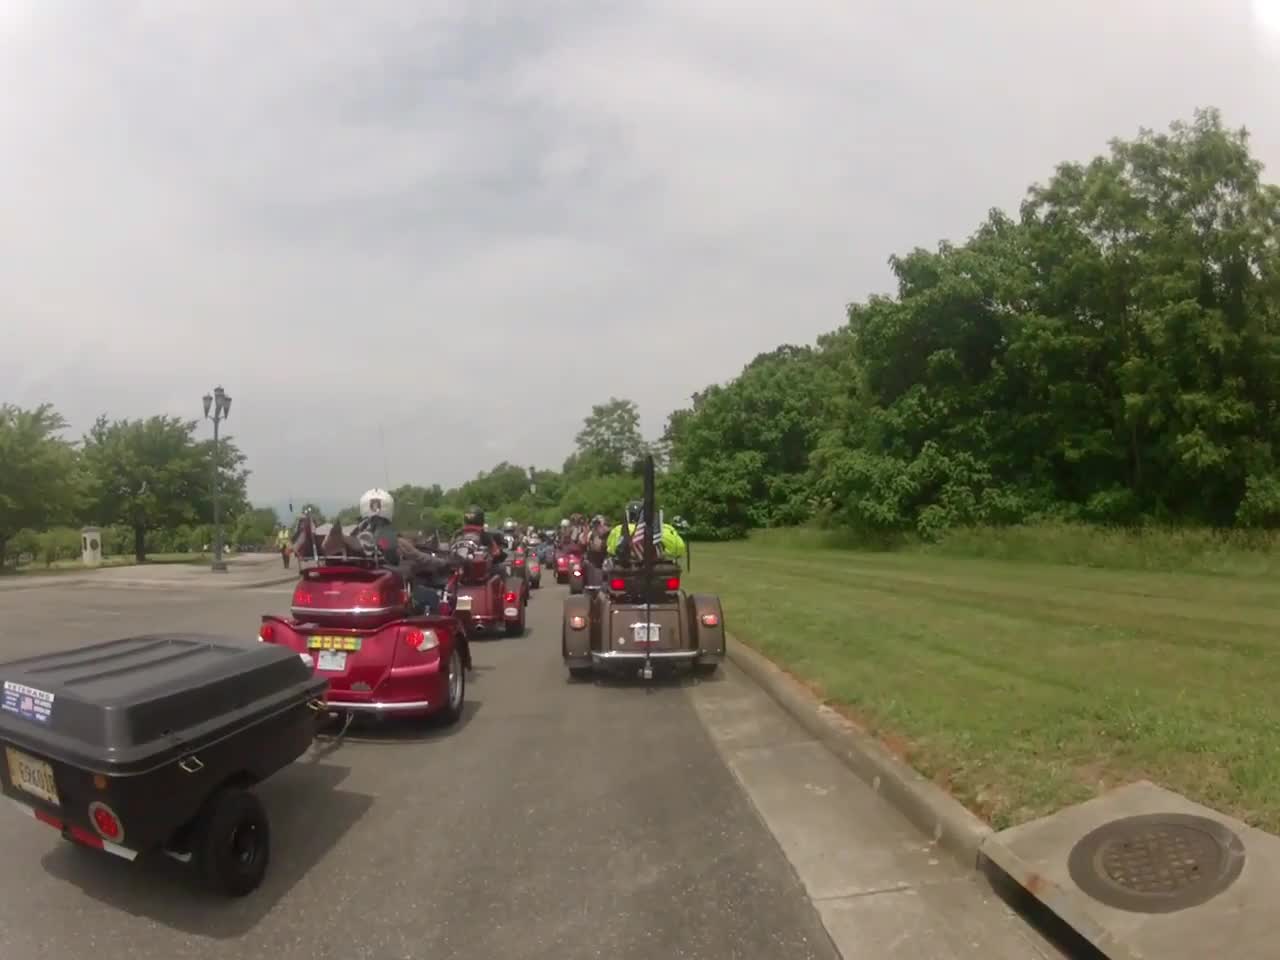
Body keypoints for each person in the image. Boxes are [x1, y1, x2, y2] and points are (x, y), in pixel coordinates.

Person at [607, 500, 686, 564]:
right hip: (662, 564)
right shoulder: (665, 528)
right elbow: (680, 548)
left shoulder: (620, 529)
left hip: (629, 566)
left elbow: (611, 549)